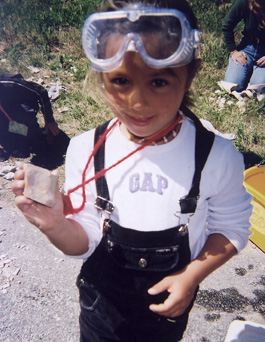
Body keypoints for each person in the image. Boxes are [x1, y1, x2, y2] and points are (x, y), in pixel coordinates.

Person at [12, 1, 253, 341]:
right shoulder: (86, 148)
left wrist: (192, 275)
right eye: (121, 80)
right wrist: (55, 225)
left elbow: (233, 226)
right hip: (101, 310)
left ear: (192, 73)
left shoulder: (217, 156)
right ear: (101, 75)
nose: (137, 102)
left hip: (168, 313)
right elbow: (84, 240)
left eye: (158, 82)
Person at [0, 72, 60, 159]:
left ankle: (34, 133)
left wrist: (49, 121)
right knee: (12, 145)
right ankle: (18, 131)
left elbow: (40, 91)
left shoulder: (8, 83)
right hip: (5, 110)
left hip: (22, 104)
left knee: (29, 130)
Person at [219, 0, 265, 101]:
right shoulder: (244, 2)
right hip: (247, 48)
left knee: (258, 90)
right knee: (232, 85)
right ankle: (247, 72)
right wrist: (233, 51)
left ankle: (253, 78)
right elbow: (227, 26)